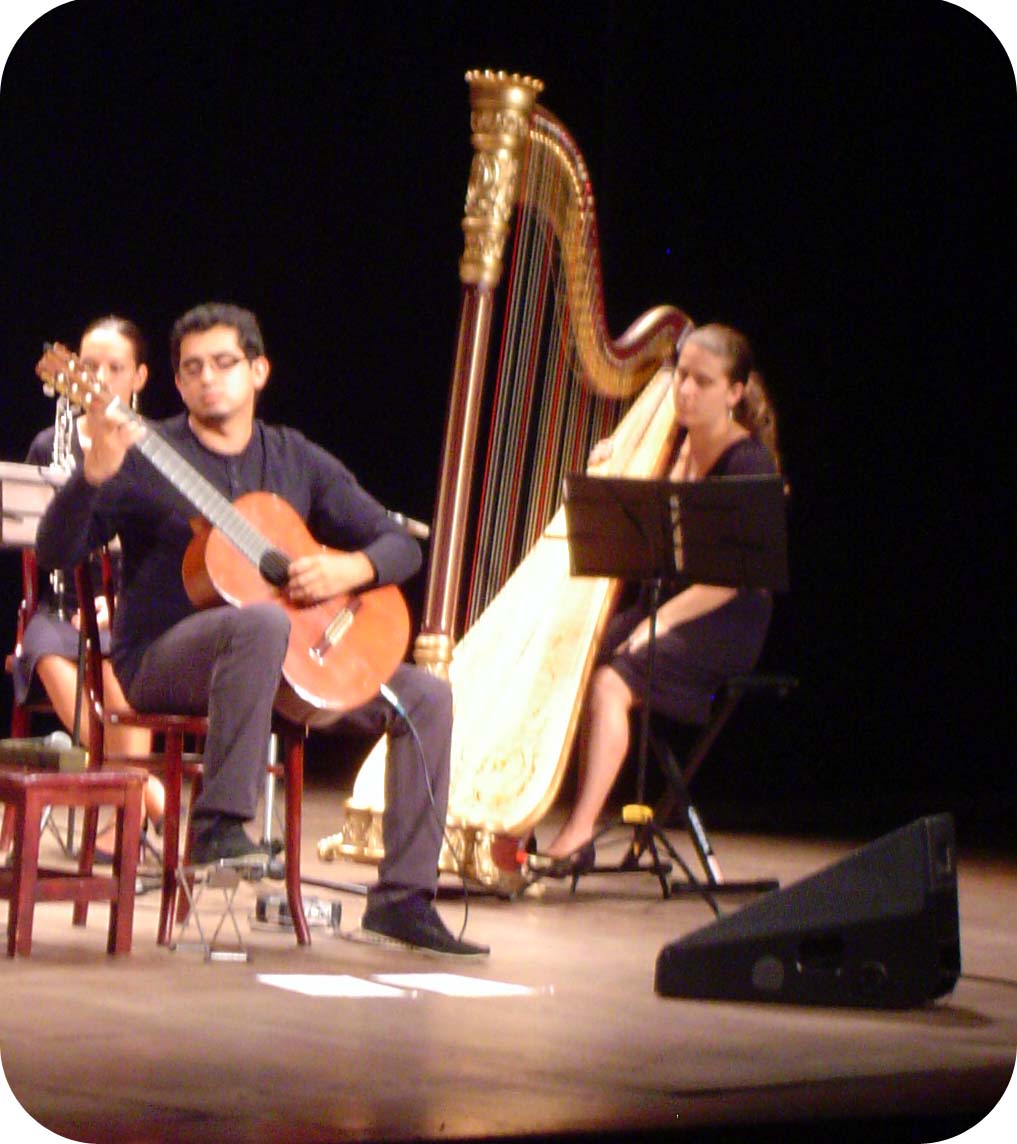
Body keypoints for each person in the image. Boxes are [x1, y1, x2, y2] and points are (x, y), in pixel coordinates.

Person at [35, 301, 488, 957]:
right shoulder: (144, 453)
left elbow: (400, 546)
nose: (207, 379)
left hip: (281, 664)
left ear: (258, 371)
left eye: (223, 364)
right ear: (177, 382)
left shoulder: (292, 457)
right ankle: (219, 825)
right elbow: (53, 551)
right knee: (255, 625)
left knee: (425, 697)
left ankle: (403, 902)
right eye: (191, 369)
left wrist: (346, 570)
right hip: (165, 662)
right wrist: (93, 474)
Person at [531, 322, 781, 875]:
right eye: (681, 377)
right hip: (669, 607)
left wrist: (658, 623)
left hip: (724, 620)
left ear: (735, 392)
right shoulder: (669, 445)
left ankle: (577, 834)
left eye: (703, 381)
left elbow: (728, 580)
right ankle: (523, 811)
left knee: (610, 682)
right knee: (568, 659)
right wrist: (609, 471)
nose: (685, 391)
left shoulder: (749, 466)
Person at [13, 315, 165, 857]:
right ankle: (150, 795)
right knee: (49, 648)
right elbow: (43, 543)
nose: (100, 377)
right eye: (89, 366)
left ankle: (116, 825)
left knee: (121, 664)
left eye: (115, 367)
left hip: (132, 609)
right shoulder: (47, 445)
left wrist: (119, 604)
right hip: (60, 607)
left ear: (140, 376)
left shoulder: (162, 451)